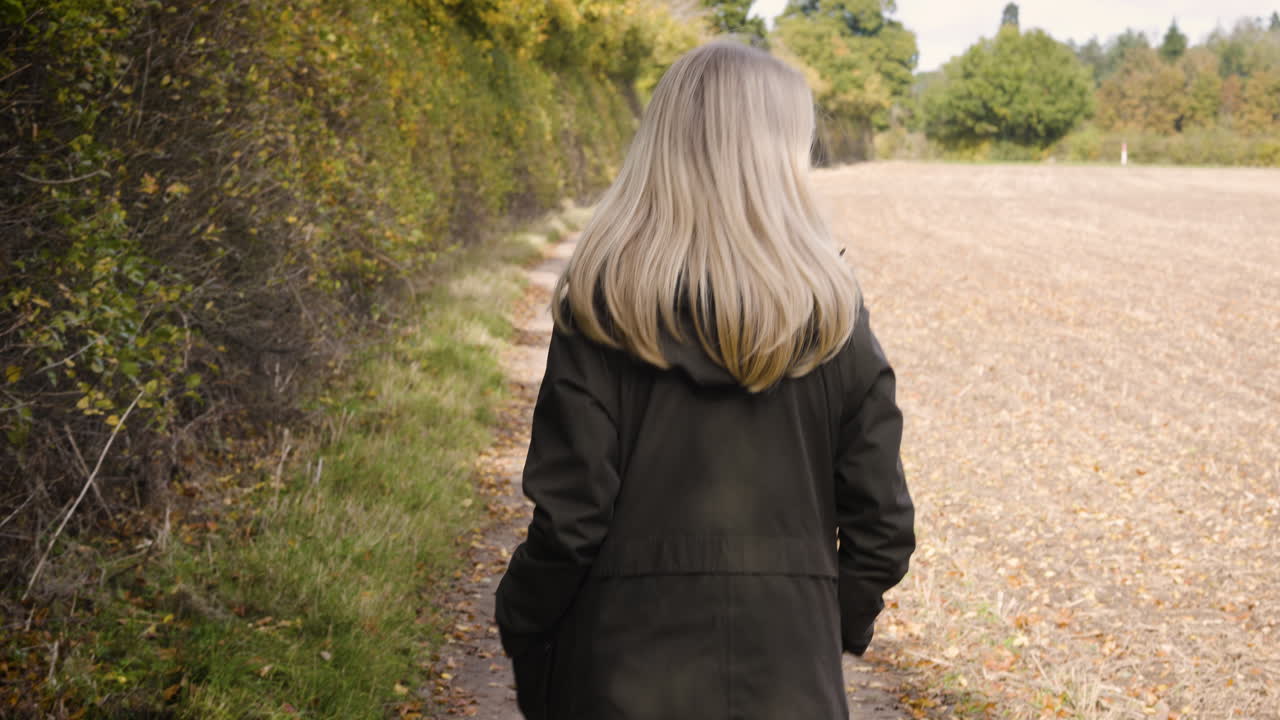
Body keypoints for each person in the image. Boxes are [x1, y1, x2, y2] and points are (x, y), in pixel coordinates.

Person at [494, 40, 915, 720]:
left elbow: (570, 523)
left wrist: (520, 618)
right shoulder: (835, 321)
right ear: (782, 162)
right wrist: (819, 626)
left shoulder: (603, 311)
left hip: (617, 681)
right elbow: (883, 528)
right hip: (790, 686)